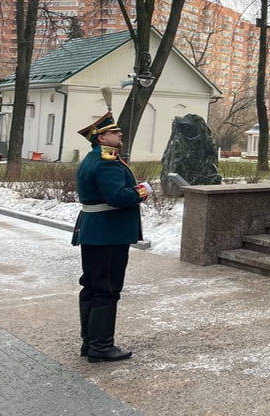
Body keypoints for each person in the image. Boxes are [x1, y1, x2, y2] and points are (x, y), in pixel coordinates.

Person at [73, 113, 152, 363]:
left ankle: (90, 342)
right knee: (106, 288)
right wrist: (142, 190)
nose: (120, 135)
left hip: (95, 232)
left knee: (93, 286)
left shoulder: (93, 158)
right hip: (108, 234)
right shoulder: (106, 162)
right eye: (114, 132)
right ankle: (101, 346)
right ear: (101, 137)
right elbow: (117, 197)